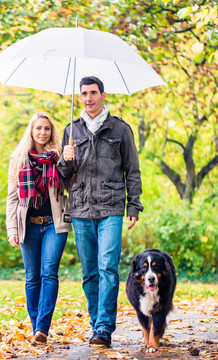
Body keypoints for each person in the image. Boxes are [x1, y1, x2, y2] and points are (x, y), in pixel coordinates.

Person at [57, 76, 143, 348]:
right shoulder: (71, 130)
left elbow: (133, 170)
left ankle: (104, 327)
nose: (88, 98)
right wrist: (65, 160)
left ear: (103, 95)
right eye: (83, 93)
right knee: (90, 272)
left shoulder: (120, 130)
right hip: (81, 208)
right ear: (80, 96)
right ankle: (96, 324)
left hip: (111, 207)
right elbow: (64, 178)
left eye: (93, 92)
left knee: (108, 267)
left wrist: (134, 205)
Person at [6, 111, 72, 345]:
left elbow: (70, 183)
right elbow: (12, 198)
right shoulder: (19, 159)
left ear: (51, 131)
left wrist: (68, 161)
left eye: (46, 128)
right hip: (28, 226)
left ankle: (42, 328)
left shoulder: (59, 156)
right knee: (32, 277)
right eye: (38, 128)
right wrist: (12, 229)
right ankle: (37, 330)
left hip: (54, 224)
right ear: (31, 131)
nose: (42, 132)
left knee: (49, 273)